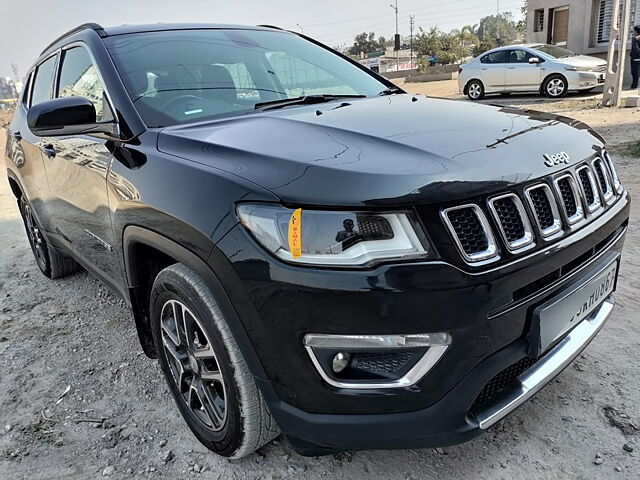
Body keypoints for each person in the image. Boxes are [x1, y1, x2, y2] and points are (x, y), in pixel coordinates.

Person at [631, 25, 640, 90]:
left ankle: (634, 86)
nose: (632, 32)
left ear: (636, 32)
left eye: (633, 31)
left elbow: (636, 49)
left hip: (635, 58)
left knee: (634, 73)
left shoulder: (635, 38)